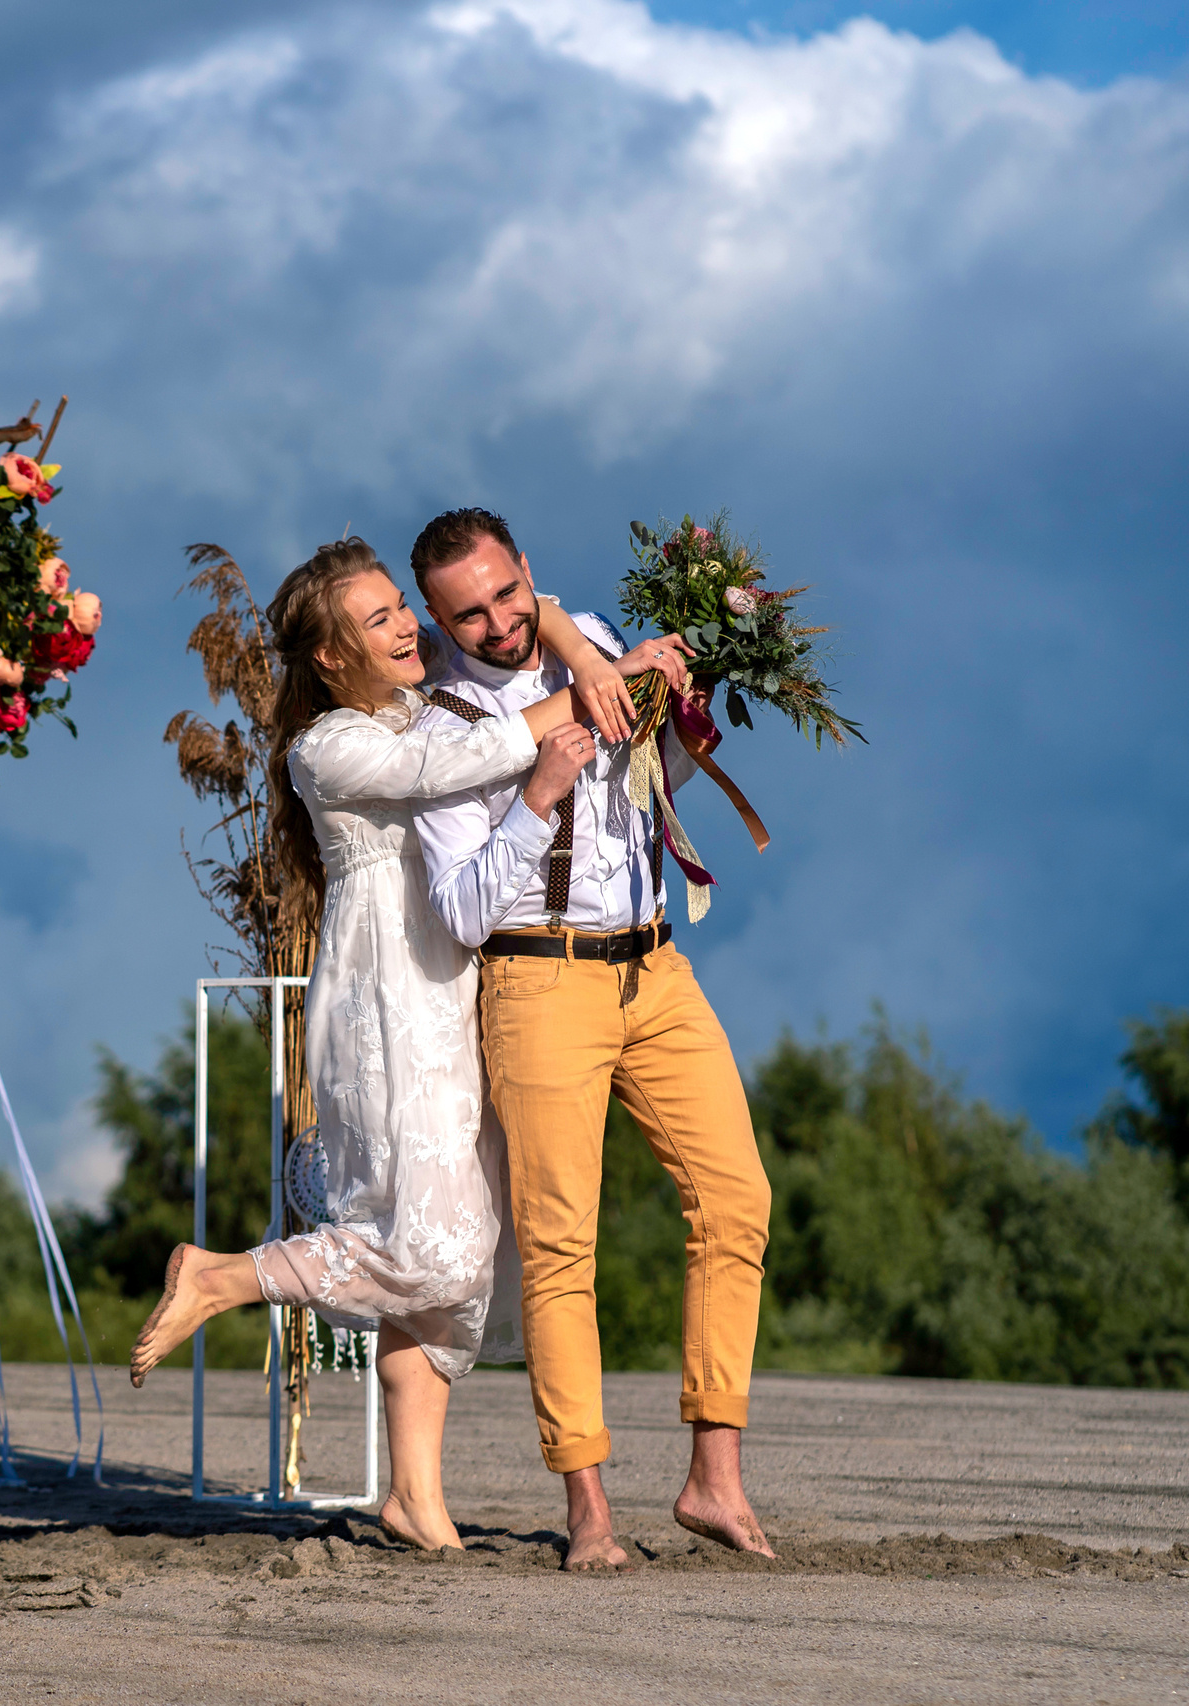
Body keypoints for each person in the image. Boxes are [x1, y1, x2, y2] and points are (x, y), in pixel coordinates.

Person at [128, 535, 665, 1551]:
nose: (406, 627)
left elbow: (527, 627)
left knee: (459, 1260)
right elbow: (466, 758)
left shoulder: (423, 706)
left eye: (399, 610)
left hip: (462, 989)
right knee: (429, 1244)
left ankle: (413, 1494)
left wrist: (584, 652)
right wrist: (606, 676)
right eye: (377, 620)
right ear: (330, 656)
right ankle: (221, 1275)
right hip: (388, 1002)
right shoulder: (328, 746)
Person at [406, 506, 774, 1573]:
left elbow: (664, 782)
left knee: (736, 1196)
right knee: (562, 1246)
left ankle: (713, 1473)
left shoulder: (598, 641)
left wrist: (684, 714)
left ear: (530, 574)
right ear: (436, 619)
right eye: (467, 613)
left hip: (652, 964)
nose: (497, 622)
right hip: (536, 979)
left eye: (508, 596)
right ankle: (589, 1507)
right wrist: (536, 795)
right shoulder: (440, 732)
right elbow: (465, 912)